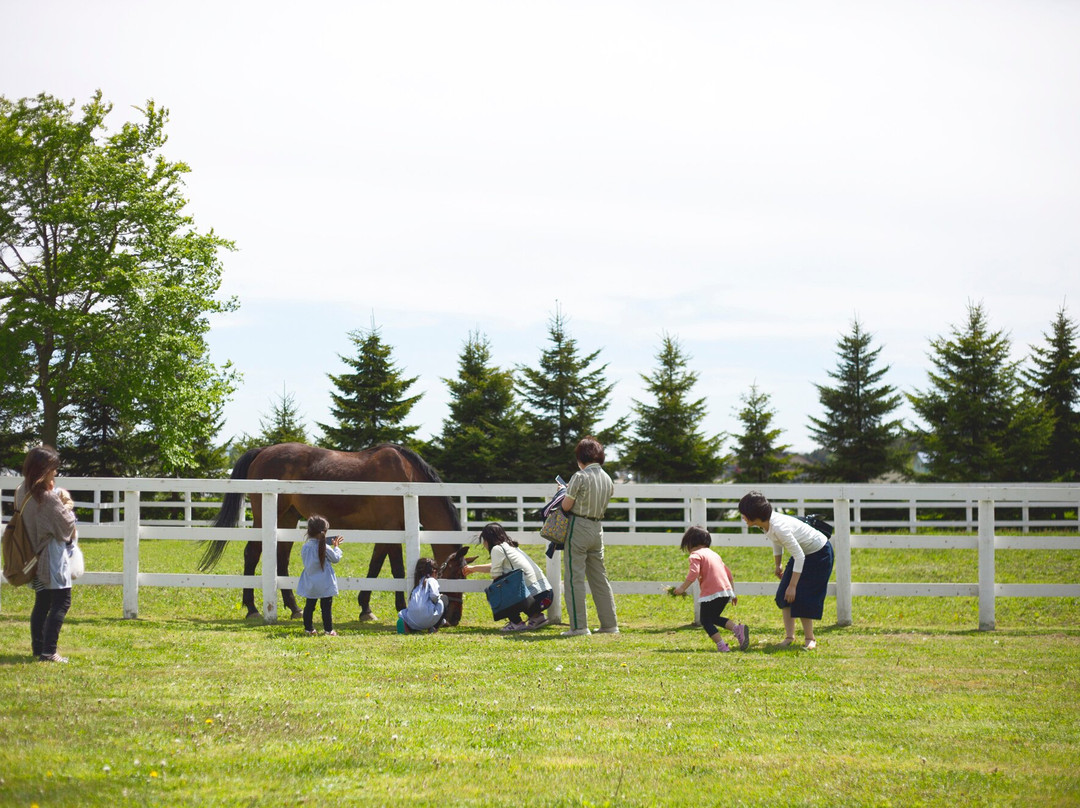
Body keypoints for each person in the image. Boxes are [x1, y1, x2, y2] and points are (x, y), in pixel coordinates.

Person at [738, 491, 834, 650]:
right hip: (802, 554)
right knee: (784, 596)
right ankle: (789, 637)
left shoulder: (779, 527)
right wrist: (778, 564)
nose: (743, 517)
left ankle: (810, 639)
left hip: (819, 553)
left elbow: (799, 556)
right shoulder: (766, 523)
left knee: (803, 596)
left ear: (754, 516)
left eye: (744, 514)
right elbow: (775, 539)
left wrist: (793, 586)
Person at [16, 445, 78, 663]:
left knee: (42, 601)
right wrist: (67, 504)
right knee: (62, 601)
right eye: (53, 468)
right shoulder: (48, 498)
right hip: (51, 556)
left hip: (32, 554)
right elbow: (66, 526)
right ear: (44, 469)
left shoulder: (22, 491)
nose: (55, 472)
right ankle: (49, 651)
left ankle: (38, 648)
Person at [558, 436, 618, 637]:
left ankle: (579, 626)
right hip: (597, 528)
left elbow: (567, 506)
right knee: (600, 578)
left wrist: (563, 492)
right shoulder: (607, 478)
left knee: (574, 577)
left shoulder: (580, 476)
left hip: (579, 526)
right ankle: (609, 624)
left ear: (581, 457)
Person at [671, 526, 749, 652]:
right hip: (725, 592)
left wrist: (682, 588)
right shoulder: (714, 555)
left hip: (712, 593)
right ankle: (737, 629)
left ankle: (722, 646)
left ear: (690, 543)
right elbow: (729, 574)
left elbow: (693, 573)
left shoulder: (696, 555)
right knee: (713, 617)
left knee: (705, 621)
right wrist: (733, 594)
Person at [463, 523, 553, 632]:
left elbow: (496, 575)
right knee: (511, 584)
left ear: (487, 539)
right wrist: (473, 568)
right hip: (545, 596)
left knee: (497, 588)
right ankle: (536, 617)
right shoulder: (511, 547)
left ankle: (516, 623)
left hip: (534, 599)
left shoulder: (497, 549)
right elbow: (497, 566)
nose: (484, 544)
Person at [296, 515, 343, 636]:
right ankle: (328, 630)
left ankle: (309, 629)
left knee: (309, 606)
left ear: (309, 531)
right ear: (324, 532)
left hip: (310, 582)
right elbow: (336, 559)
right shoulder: (325, 547)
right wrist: (336, 547)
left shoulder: (305, 547)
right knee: (326, 608)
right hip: (325, 583)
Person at [398, 558, 447, 633]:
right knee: (445, 599)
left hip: (412, 619)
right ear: (434, 572)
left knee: (406, 613)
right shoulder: (432, 580)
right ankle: (434, 627)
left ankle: (408, 627)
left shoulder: (417, 583)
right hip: (427, 618)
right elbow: (434, 596)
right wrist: (439, 597)